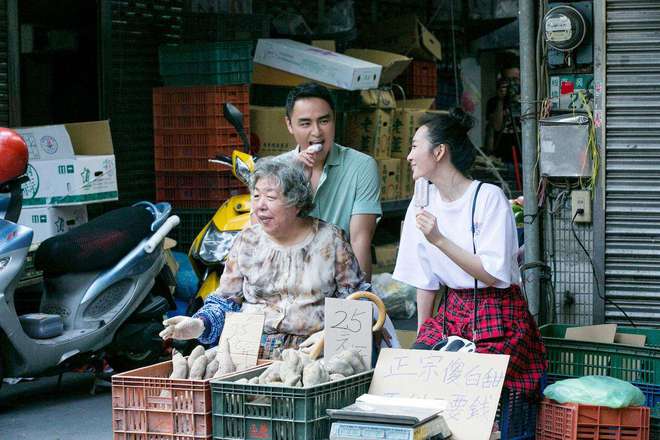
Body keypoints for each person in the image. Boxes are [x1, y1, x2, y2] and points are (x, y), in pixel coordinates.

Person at [392, 109, 546, 395]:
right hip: (452, 312)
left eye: (415, 147)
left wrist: (439, 239)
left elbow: (491, 274)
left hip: (498, 314)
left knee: (468, 387)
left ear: (439, 152)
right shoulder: (421, 203)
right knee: (417, 380)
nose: (409, 156)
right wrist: (421, 342)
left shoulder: (488, 197)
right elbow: (425, 280)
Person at [160, 157, 370, 358]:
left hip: (312, 351)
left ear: (296, 203)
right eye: (256, 196)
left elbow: (358, 299)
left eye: (270, 197)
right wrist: (198, 324)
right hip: (249, 350)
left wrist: (330, 335)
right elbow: (225, 300)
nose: (260, 205)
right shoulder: (247, 240)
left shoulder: (330, 240)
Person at [279, 83, 382, 281]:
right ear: (289, 125)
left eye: (324, 121)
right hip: (287, 280)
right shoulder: (277, 170)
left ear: (334, 120)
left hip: (340, 279)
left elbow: (360, 239)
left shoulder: (362, 166)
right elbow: (262, 234)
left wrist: (359, 297)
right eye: (305, 123)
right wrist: (294, 178)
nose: (317, 132)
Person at [486, 65, 521, 164]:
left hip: (523, 152)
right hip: (502, 155)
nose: (512, 83)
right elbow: (497, 126)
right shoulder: (494, 102)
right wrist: (500, 100)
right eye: (508, 80)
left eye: (515, 79)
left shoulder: (527, 100)